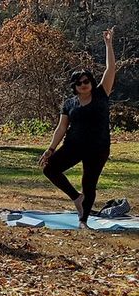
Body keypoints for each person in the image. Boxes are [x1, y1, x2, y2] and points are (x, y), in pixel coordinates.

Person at [40, 28, 117, 225]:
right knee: (49, 169)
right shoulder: (69, 104)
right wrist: (50, 149)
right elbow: (61, 127)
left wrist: (108, 45)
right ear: (74, 86)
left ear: (91, 82)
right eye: (79, 82)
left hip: (98, 148)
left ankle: (83, 221)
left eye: (87, 81)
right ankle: (77, 198)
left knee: (89, 183)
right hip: (73, 146)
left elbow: (110, 70)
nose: (84, 84)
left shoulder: (101, 94)